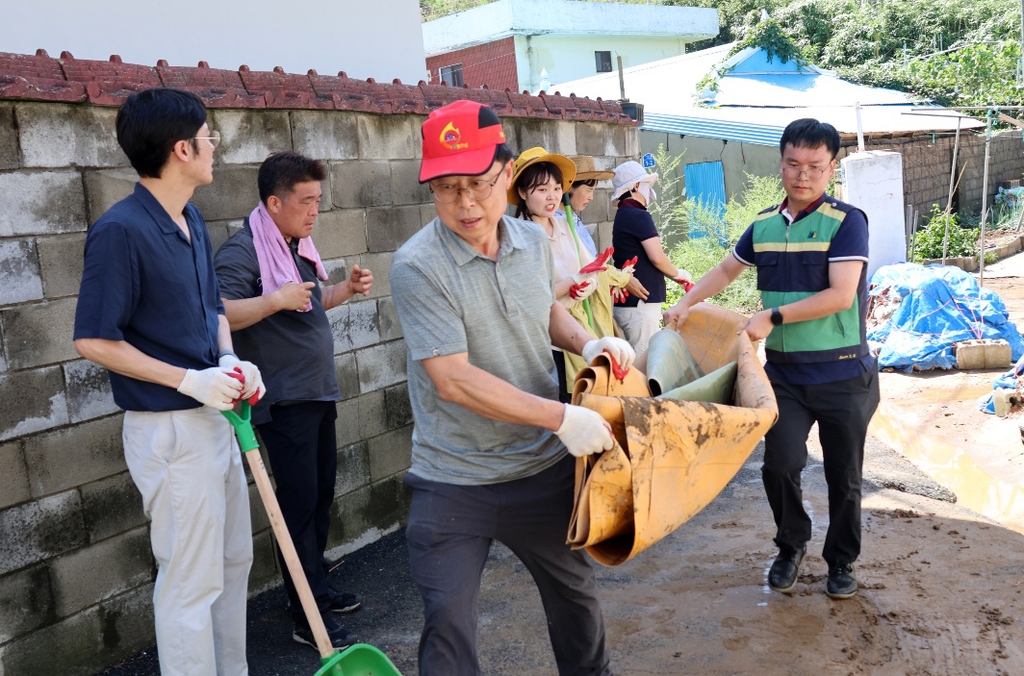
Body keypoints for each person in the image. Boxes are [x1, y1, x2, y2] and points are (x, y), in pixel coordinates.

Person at [390, 99, 634, 675]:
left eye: (476, 184)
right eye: (446, 188)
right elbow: (451, 379)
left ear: (505, 176)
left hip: (538, 471)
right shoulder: (418, 265)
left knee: (577, 605)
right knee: (447, 624)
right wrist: (559, 418)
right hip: (454, 478)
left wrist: (587, 343)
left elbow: (542, 309)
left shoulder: (529, 245)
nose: (465, 203)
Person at [73, 87, 264, 676]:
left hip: (215, 418)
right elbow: (94, 340)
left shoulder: (191, 219)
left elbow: (211, 310)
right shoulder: (120, 230)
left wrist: (228, 361)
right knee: (189, 584)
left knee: (233, 564)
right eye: (208, 137)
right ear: (182, 149)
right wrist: (189, 380)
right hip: (171, 432)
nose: (214, 147)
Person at [663, 118, 880, 600]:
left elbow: (841, 295)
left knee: (844, 475)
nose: (803, 176)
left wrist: (772, 317)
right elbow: (725, 269)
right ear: (780, 162)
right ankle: (791, 545)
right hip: (783, 376)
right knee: (779, 465)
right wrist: (685, 305)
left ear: (831, 168)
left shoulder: (848, 222)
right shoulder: (763, 224)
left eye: (815, 167)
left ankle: (841, 559)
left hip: (844, 373)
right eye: (793, 164)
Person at [214, 152, 372, 649]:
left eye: (318, 202)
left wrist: (344, 289)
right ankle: (308, 614)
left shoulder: (293, 246)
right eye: (306, 202)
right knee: (299, 506)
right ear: (274, 202)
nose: (314, 212)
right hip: (283, 400)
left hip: (315, 392)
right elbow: (216, 313)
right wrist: (272, 301)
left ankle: (316, 591)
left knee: (319, 497)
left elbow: (304, 302)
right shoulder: (243, 252)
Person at [509, 147, 634, 402]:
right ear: (522, 192)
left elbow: (591, 270)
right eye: (542, 190)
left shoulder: (566, 224)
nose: (551, 196)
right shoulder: (518, 238)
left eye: (556, 188)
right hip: (546, 343)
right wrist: (571, 283)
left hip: (580, 333)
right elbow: (533, 297)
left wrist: (588, 283)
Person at [610, 160, 691, 360]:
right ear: (636, 186)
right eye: (646, 184)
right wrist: (680, 275)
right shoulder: (638, 215)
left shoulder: (624, 214)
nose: (650, 192)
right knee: (643, 362)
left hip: (631, 304)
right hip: (640, 306)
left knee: (633, 360)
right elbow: (657, 257)